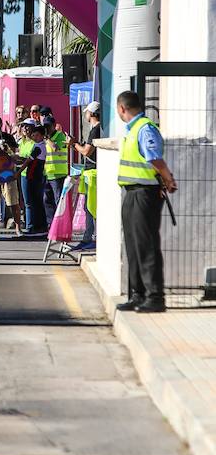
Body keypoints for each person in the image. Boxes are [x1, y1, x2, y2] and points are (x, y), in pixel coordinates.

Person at [115, 91, 176, 313]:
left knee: (146, 245)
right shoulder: (132, 131)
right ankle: (138, 294)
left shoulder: (144, 128)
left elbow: (154, 157)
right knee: (132, 246)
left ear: (122, 108)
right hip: (132, 192)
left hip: (145, 194)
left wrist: (168, 178)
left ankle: (155, 297)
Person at [68, 101, 101, 250]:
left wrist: (74, 145)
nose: (85, 114)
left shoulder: (96, 129)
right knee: (88, 206)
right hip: (89, 173)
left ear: (92, 114)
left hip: (93, 174)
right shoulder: (95, 129)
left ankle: (92, 238)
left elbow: (87, 151)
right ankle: (88, 237)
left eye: (87, 112)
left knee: (92, 207)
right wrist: (76, 143)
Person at [21, 124, 48, 236]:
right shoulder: (36, 145)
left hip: (35, 177)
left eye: (37, 135)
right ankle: (39, 226)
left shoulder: (39, 147)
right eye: (33, 135)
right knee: (34, 201)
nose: (34, 137)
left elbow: (28, 161)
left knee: (35, 202)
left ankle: (38, 227)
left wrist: (18, 173)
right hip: (33, 176)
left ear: (42, 136)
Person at [43, 115, 68, 227]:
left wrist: (47, 139)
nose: (46, 129)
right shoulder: (46, 139)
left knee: (59, 201)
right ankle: (51, 224)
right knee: (46, 200)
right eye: (45, 126)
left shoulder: (60, 136)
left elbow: (56, 148)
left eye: (48, 126)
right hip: (48, 173)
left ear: (54, 126)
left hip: (58, 174)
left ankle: (61, 224)